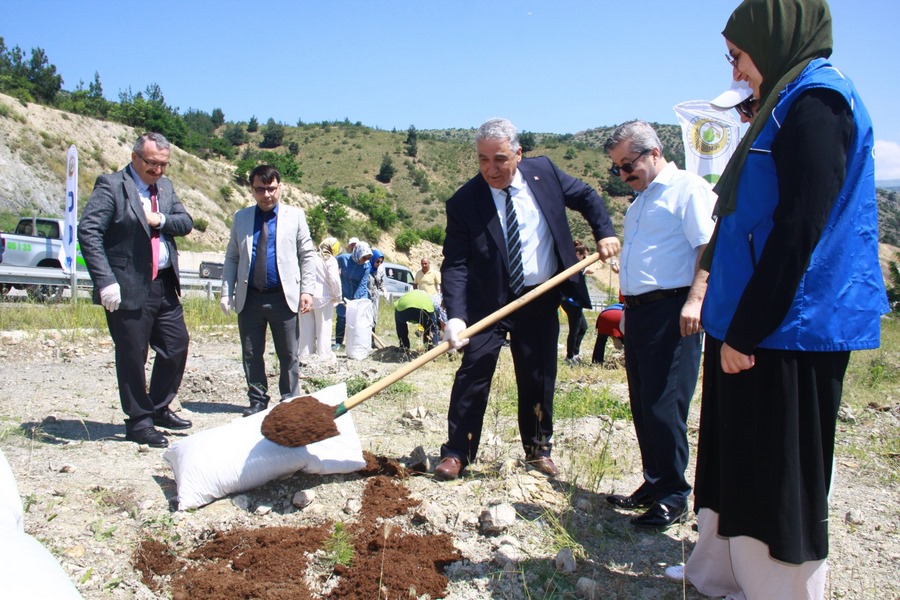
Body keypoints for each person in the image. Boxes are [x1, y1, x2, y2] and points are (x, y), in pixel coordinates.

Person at [685, 2, 888, 598]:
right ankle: (722, 576)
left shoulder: (817, 103)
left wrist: (747, 331)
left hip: (785, 331)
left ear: (773, 40)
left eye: (738, 57)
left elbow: (801, 228)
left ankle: (777, 589)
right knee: (733, 463)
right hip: (745, 321)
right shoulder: (784, 99)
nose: (737, 73)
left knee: (775, 476)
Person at [436, 117, 620, 480]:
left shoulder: (545, 174)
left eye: (500, 159)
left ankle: (538, 450)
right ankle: (458, 450)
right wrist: (455, 316)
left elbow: (585, 196)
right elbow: (455, 264)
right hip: (486, 302)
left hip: (539, 296)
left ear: (519, 154)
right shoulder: (464, 202)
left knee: (538, 374)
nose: (492, 169)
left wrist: (605, 232)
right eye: (483, 160)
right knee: (474, 371)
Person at [603, 120, 716, 530]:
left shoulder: (688, 190)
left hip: (675, 310)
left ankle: (673, 494)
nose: (623, 174)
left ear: (654, 152)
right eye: (617, 168)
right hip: (641, 313)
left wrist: (696, 301)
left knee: (665, 404)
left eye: (627, 164)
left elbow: (708, 245)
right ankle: (653, 482)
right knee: (643, 401)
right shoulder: (640, 203)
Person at [78, 132, 193, 448]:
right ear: (135, 158)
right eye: (152, 163)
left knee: (176, 345)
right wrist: (105, 280)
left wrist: (160, 219)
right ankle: (139, 422)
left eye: (163, 165)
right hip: (127, 286)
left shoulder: (165, 189)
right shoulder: (111, 186)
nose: (157, 170)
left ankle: (158, 407)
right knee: (132, 354)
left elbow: (185, 222)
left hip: (164, 284)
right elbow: (89, 232)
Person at [220, 164, 315, 417]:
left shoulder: (295, 216)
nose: (267, 195)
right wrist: (225, 291)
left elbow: (307, 255)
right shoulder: (241, 217)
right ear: (252, 190)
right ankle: (258, 399)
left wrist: (307, 290)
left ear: (280, 187)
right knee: (251, 353)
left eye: (271, 189)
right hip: (249, 297)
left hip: (283, 297)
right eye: (260, 189)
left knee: (289, 354)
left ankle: (289, 400)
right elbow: (232, 257)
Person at [299, 237, 342, 360]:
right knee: (324, 328)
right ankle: (323, 356)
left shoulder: (310, 257)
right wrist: (338, 296)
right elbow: (334, 279)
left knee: (306, 328)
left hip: (307, 296)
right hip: (324, 298)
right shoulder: (330, 260)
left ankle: (305, 356)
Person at [333, 241, 372, 348]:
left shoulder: (366, 266)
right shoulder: (343, 259)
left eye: (368, 258)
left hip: (359, 296)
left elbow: (362, 284)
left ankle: (357, 344)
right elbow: (331, 266)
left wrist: (354, 302)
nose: (366, 261)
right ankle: (338, 343)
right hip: (344, 292)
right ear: (357, 253)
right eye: (364, 258)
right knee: (341, 318)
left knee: (357, 321)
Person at [560, 241, 592, 365]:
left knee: (583, 328)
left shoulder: (578, 266)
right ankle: (570, 356)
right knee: (575, 329)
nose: (585, 259)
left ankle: (575, 353)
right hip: (571, 302)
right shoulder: (572, 266)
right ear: (578, 254)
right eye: (584, 256)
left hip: (575, 303)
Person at [368, 249, 385, 328]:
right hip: (367, 297)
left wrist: (384, 289)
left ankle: (372, 336)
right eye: (377, 261)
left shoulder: (379, 271)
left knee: (374, 316)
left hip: (375, 297)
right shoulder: (366, 270)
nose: (379, 264)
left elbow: (381, 282)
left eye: (381, 262)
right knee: (367, 317)